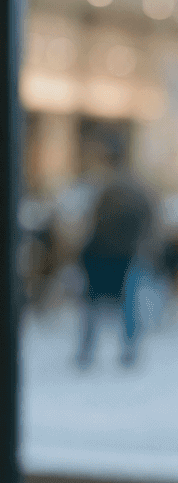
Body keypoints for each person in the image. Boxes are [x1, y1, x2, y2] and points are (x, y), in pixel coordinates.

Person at [76, 148, 155, 368]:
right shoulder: (139, 192)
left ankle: (87, 349)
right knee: (127, 305)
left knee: (93, 304)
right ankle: (127, 350)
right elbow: (149, 226)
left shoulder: (107, 191)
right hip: (127, 255)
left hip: (105, 254)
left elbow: (92, 223)